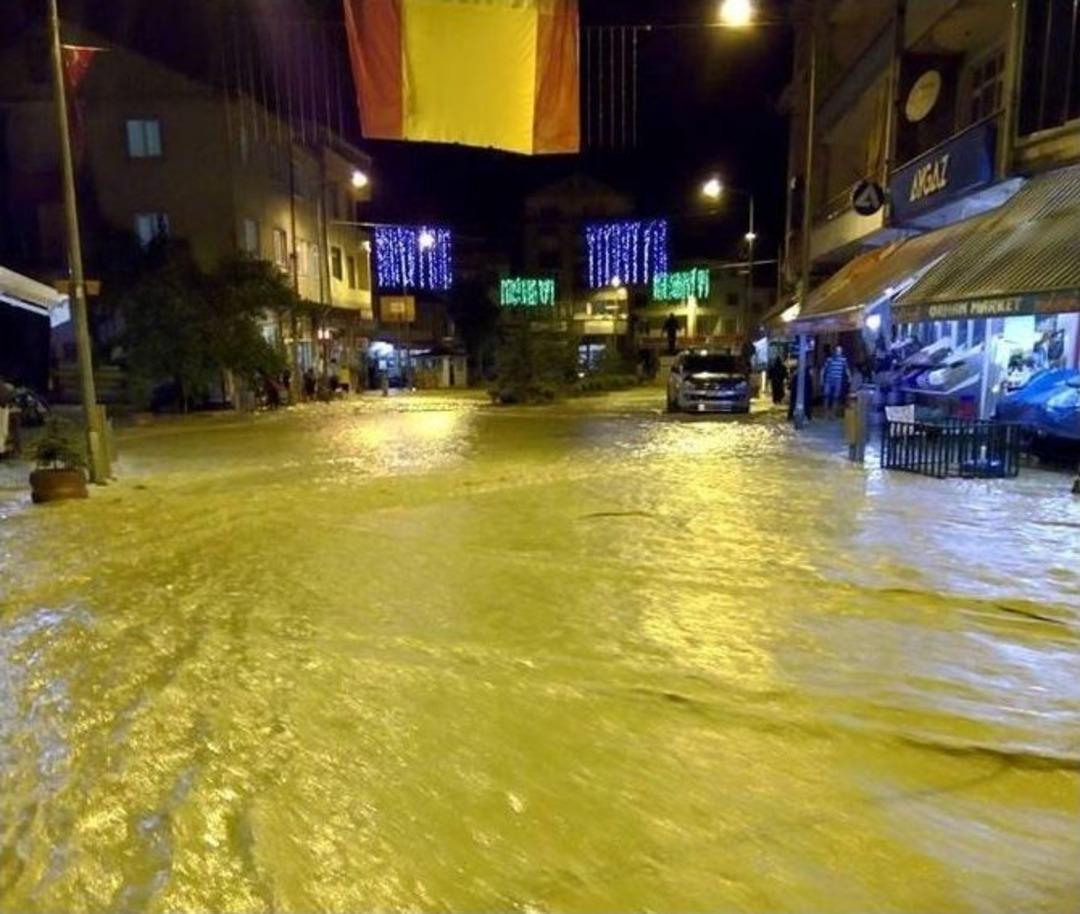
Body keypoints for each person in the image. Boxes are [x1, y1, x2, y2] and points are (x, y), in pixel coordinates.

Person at [823, 344, 850, 419]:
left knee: (836, 397)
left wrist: (849, 377)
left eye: (840, 351)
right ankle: (826, 413)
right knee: (826, 396)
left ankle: (833, 414)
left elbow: (846, 369)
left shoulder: (843, 360)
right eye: (837, 350)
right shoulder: (829, 359)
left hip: (838, 380)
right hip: (829, 380)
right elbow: (824, 369)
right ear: (834, 351)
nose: (838, 352)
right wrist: (822, 380)